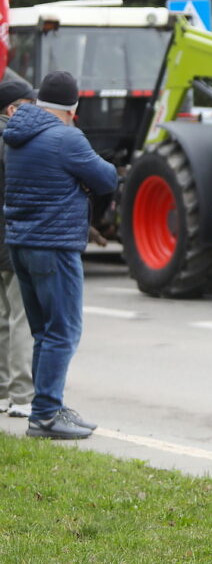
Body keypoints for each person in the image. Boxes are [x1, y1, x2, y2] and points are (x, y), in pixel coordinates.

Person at [3, 71, 117, 439]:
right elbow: (107, 178)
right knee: (63, 331)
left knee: (42, 332)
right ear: (73, 106)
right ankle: (47, 414)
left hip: (20, 245)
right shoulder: (67, 139)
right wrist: (80, 181)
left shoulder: (16, 135)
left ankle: (46, 405)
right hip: (55, 247)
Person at [0, 80, 37, 420]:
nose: (35, 110)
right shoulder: (12, 142)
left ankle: (0, 391)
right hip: (10, 240)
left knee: (1, 317)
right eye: (29, 103)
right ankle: (22, 395)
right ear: (12, 109)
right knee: (21, 318)